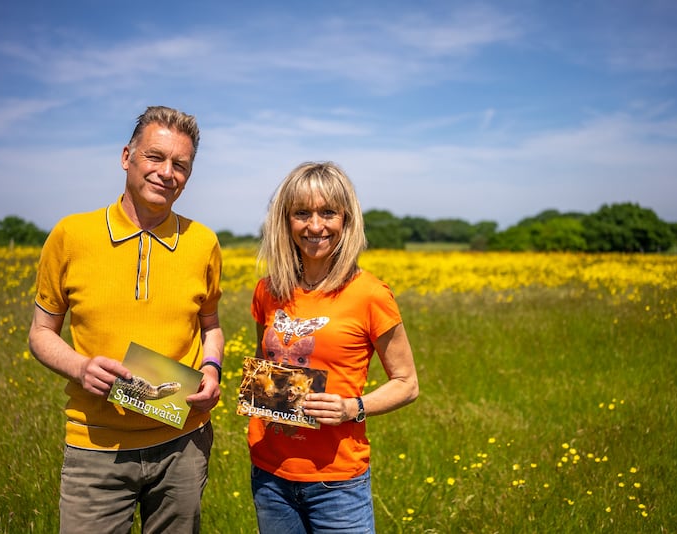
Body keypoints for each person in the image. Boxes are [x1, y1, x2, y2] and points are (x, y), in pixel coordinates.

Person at [28, 105, 224, 533]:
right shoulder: (70, 235)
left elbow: (211, 325)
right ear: (126, 157)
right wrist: (79, 367)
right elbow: (41, 333)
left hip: (184, 445)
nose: (166, 172)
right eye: (155, 157)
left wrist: (211, 368)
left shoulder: (203, 242)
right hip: (94, 447)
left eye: (181, 165)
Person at [248, 161, 419, 533]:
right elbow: (266, 364)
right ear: (286, 221)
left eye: (328, 213)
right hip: (269, 474)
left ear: (346, 219)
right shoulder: (268, 289)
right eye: (302, 213)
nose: (315, 226)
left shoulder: (371, 294)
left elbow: (407, 383)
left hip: (337, 481)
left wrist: (351, 408)